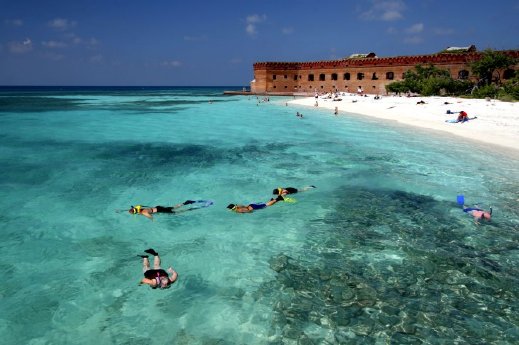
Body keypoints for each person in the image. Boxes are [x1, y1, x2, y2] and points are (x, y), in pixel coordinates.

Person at [128, 200, 199, 220]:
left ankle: (190, 209)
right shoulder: (139, 207)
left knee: (176, 213)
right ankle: (185, 203)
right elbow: (135, 208)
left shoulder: (144, 212)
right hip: (158, 207)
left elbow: (151, 217)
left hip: (160, 211)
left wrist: (153, 220)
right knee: (172, 207)